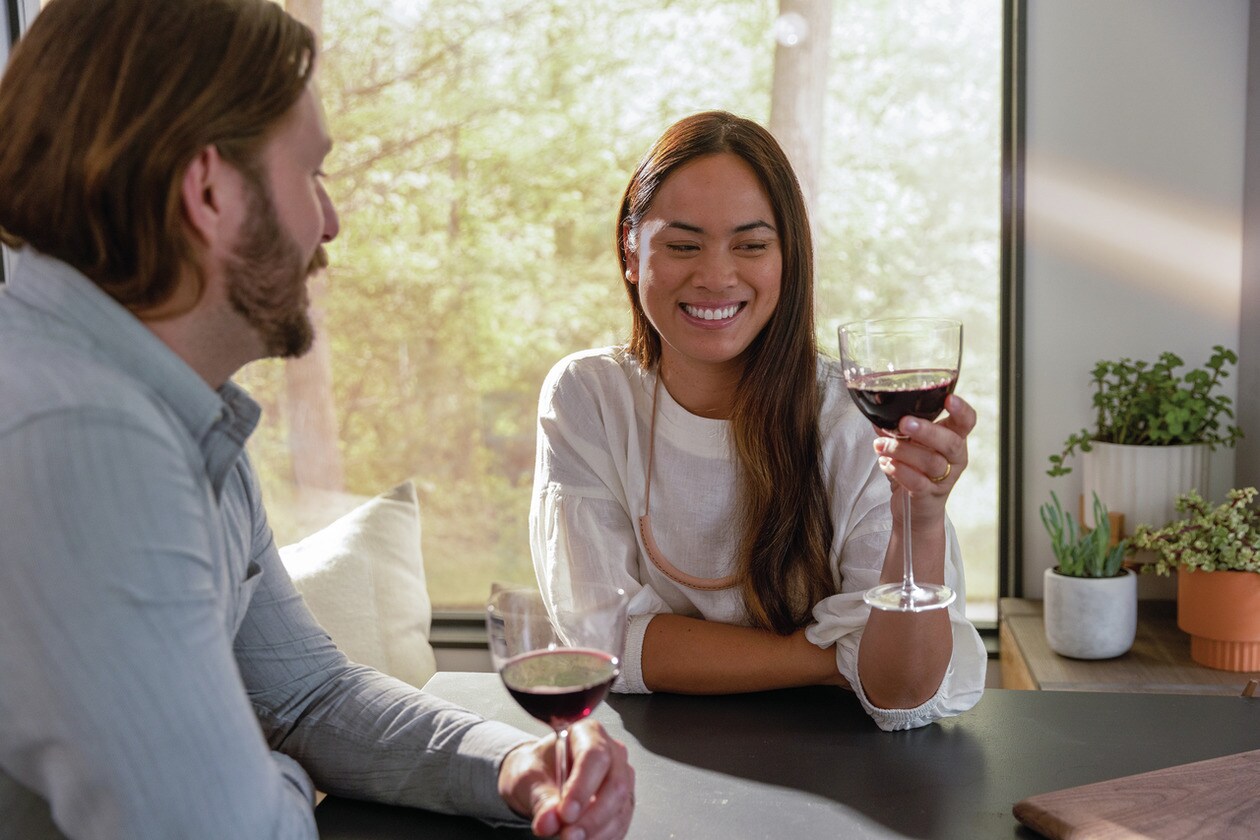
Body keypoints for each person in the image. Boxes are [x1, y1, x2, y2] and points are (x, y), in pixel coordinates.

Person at [0, 1, 633, 838]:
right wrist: (286, 775)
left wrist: (513, 765)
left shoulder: (176, 406)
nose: (329, 222)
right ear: (209, 190)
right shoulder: (84, 443)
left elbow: (303, 696)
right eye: (312, 175)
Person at [529, 111, 986, 732]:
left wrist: (922, 517)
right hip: (655, 761)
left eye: (750, 245)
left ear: (788, 259)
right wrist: (831, 658)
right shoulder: (589, 396)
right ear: (631, 253)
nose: (716, 277)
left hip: (841, 763)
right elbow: (602, 644)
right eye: (683, 245)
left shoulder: (853, 415)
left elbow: (900, 693)